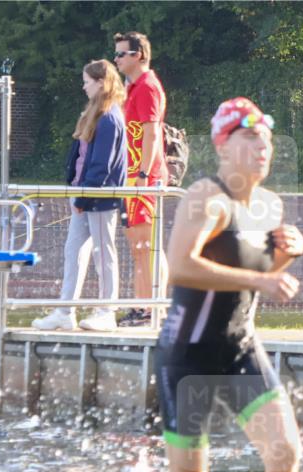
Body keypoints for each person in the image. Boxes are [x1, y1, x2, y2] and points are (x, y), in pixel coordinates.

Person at [120, 98, 303, 472]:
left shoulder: (269, 206)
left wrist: (288, 254)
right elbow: (179, 267)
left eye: (265, 139)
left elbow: (259, 276)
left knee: (284, 456)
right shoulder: (207, 197)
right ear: (223, 147)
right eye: (249, 138)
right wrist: (261, 281)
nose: (262, 147)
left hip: (240, 348)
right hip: (190, 357)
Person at [32, 60, 127, 332]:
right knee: (73, 252)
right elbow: (81, 157)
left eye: (87, 81)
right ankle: (65, 310)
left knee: (103, 254)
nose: (83, 86)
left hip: (97, 198)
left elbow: (100, 165)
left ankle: (107, 311)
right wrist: (76, 192)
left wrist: (84, 198)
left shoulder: (109, 117)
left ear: (101, 82)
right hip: (83, 196)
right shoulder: (95, 114)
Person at [113, 31, 168, 327]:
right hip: (131, 176)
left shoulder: (147, 86)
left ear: (139, 55)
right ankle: (141, 305)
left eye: (122, 54)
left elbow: (152, 131)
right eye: (116, 54)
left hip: (142, 177)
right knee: (137, 247)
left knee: (147, 246)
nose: (117, 59)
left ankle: (152, 309)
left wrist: (144, 173)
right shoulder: (132, 87)